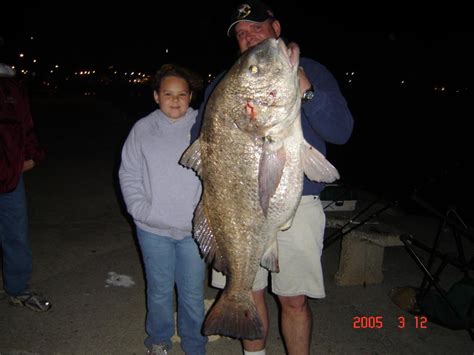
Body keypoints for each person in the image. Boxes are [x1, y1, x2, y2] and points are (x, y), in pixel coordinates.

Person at [191, 2, 354, 354]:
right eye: (241, 34)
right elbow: (200, 148)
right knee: (249, 291)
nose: (249, 38)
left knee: (294, 300)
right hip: (235, 210)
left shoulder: (313, 71)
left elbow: (341, 132)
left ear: (276, 29)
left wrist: (306, 90)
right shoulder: (223, 84)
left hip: (299, 203)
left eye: (256, 28)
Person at [119, 64, 207, 355]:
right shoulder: (143, 129)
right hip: (152, 229)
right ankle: (158, 339)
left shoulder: (203, 127)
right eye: (168, 93)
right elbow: (129, 173)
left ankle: (195, 345)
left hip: (194, 232)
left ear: (191, 96)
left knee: (192, 294)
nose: (175, 100)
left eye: (182, 94)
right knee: (158, 290)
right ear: (156, 96)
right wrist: (140, 209)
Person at [0, 38, 51, 312]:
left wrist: (33, 156)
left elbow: (25, 126)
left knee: (15, 235)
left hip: (10, 179)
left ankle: (18, 289)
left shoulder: (11, 85)